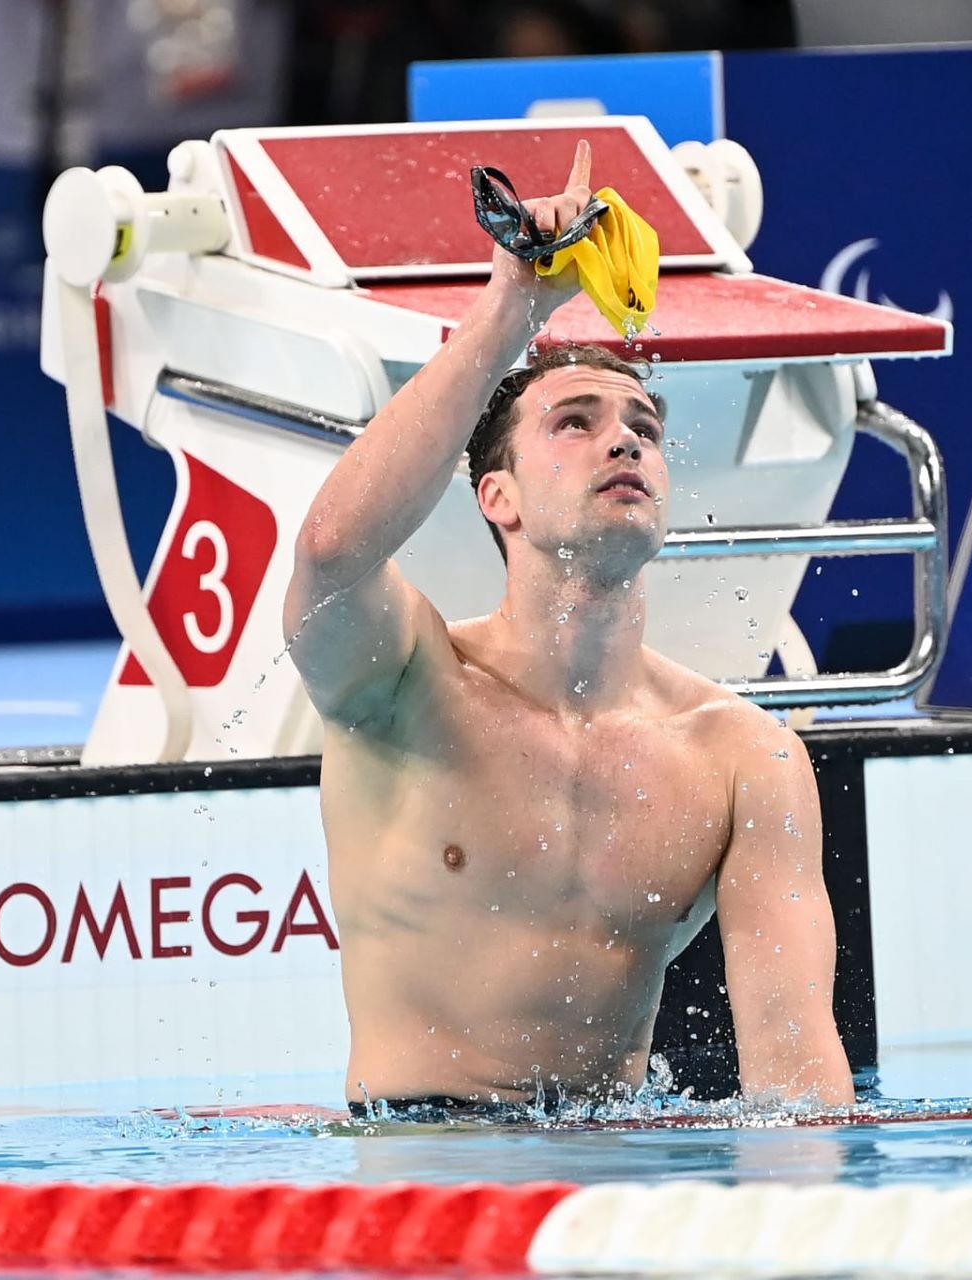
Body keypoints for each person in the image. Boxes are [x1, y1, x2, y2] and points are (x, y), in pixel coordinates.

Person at [282, 141, 854, 1117]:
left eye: (641, 422)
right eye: (575, 421)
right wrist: (513, 304)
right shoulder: (411, 685)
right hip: (424, 1193)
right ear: (495, 495)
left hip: (616, 1187)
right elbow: (332, 550)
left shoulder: (742, 757)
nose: (624, 436)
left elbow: (801, 1088)